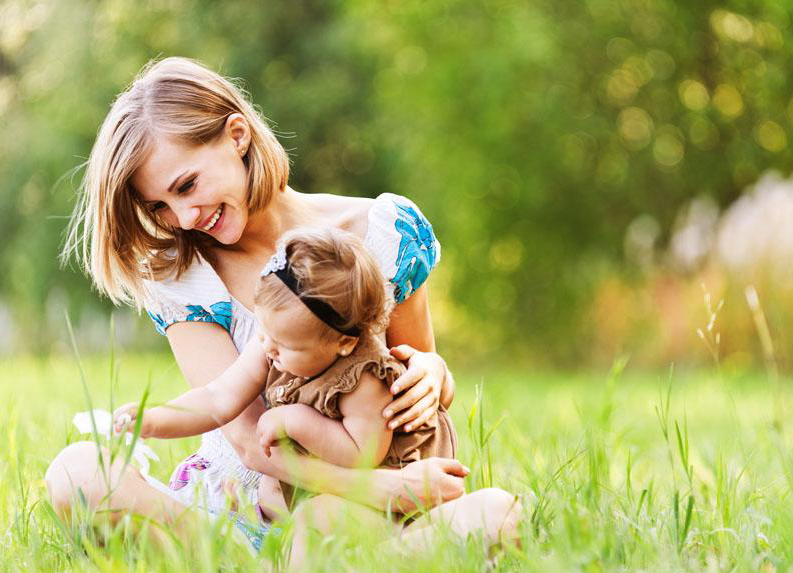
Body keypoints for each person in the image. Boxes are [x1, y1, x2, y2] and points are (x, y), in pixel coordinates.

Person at [45, 56, 521, 557]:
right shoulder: (184, 276)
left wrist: (432, 373)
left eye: (187, 186)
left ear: (237, 136)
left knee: (497, 513)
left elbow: (417, 379)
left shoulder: (383, 231)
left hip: (363, 512)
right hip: (240, 515)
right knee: (77, 475)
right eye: (159, 206)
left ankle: (348, 557)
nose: (183, 217)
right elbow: (248, 437)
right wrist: (378, 487)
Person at [112, 227, 459, 520]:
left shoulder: (365, 379)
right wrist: (154, 421)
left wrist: (296, 420)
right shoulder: (275, 341)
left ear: (344, 343)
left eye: (284, 344)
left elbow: (360, 455)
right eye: (265, 333)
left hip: (391, 492)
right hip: (336, 491)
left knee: (319, 520)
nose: (269, 348)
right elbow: (218, 398)